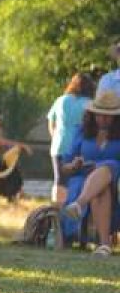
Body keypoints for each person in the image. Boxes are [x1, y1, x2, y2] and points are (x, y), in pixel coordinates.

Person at [59, 90, 120, 256]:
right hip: (86, 179)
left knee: (109, 165)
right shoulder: (82, 131)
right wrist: (73, 165)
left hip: (115, 178)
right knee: (101, 189)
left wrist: (101, 165)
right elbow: (65, 166)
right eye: (99, 114)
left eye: (108, 115)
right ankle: (104, 245)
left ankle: (79, 203)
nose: (102, 118)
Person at [47, 73, 95, 204]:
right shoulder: (90, 104)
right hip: (79, 146)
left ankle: (56, 210)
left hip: (58, 144)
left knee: (59, 179)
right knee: (79, 179)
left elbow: (51, 122)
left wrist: (56, 137)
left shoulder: (61, 100)